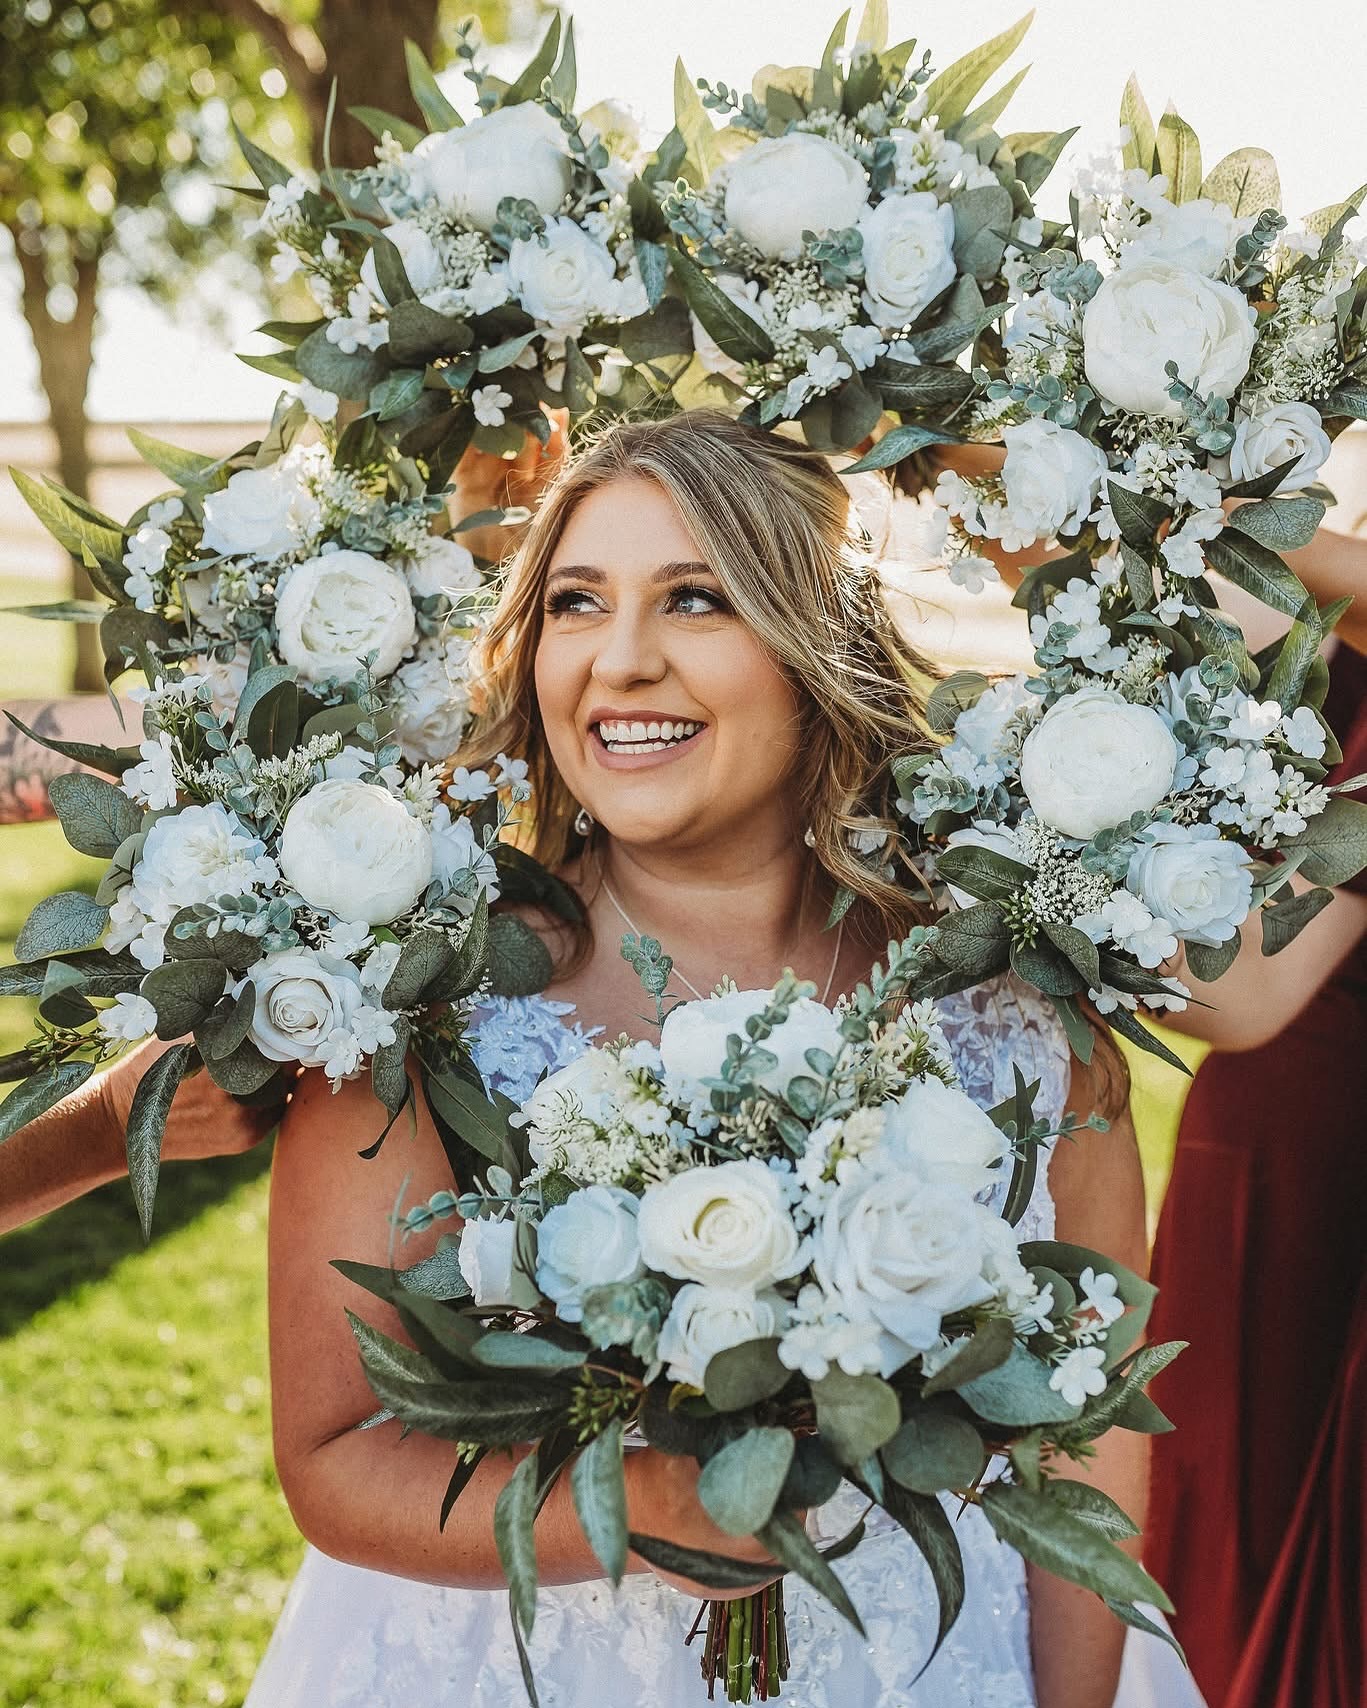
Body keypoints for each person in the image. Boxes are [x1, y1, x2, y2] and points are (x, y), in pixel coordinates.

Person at [246, 411, 1195, 1708]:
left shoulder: (1014, 1005)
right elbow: (335, 1455)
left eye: (694, 599)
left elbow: (1079, 1442)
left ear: (816, 649)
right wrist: (645, 1504)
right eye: (575, 603)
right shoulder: (420, 1001)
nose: (620, 659)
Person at [1143, 540, 1367, 1708]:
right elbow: (1241, 984)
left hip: (1307, 1083)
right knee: (1226, 1502)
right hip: (1282, 1122)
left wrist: (1192, 498)